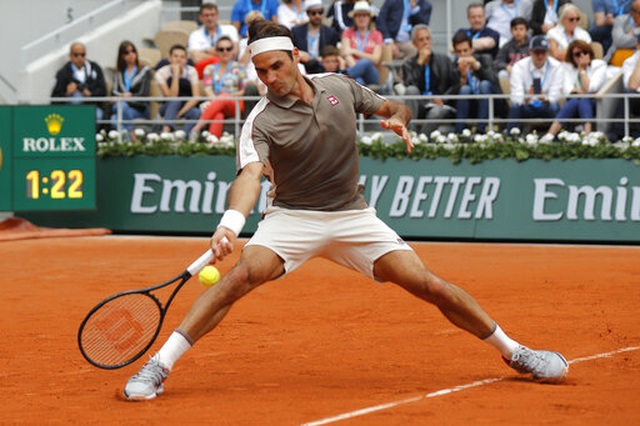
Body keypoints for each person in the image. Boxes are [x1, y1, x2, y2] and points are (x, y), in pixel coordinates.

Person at [122, 19, 569, 401]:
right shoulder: (260, 120)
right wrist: (230, 223)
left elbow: (396, 107)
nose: (270, 78)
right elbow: (250, 177)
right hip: (291, 217)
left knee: (430, 285)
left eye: (276, 66)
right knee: (239, 277)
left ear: (296, 56)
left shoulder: (340, 87)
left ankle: (515, 352)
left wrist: (398, 118)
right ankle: (158, 366)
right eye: (261, 71)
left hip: (353, 216)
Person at [540, 40, 607, 142]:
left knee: (583, 100)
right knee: (575, 101)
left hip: (596, 102)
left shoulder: (599, 65)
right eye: (577, 54)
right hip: (574, 101)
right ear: (572, 57)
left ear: (590, 53)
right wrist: (582, 91)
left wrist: (582, 70)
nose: (582, 56)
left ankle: (586, 136)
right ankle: (550, 136)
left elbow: (591, 88)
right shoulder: (567, 67)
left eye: (585, 52)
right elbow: (568, 89)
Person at [190, 36, 251, 139]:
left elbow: (245, 90)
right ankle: (214, 143)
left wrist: (228, 96)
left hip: (235, 104)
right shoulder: (209, 69)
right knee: (218, 114)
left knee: (223, 97)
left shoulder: (239, 67)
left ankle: (196, 128)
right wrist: (218, 100)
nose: (225, 52)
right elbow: (208, 89)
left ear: (233, 51)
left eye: (228, 49)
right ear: (216, 51)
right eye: (221, 49)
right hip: (216, 104)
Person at [400, 24, 456, 135]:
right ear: (414, 44)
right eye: (421, 40)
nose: (425, 42)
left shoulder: (444, 60)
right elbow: (410, 86)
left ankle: (419, 141)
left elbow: (455, 85)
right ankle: (410, 133)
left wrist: (443, 99)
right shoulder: (408, 64)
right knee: (411, 90)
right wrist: (420, 63)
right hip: (420, 105)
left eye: (428, 38)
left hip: (439, 104)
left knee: (435, 112)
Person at [507, 35, 563, 132]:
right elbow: (516, 96)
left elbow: (556, 93)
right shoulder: (519, 66)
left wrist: (545, 99)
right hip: (527, 105)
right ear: (530, 51)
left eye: (543, 52)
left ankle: (557, 138)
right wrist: (527, 97)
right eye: (537, 52)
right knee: (515, 107)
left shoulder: (557, 67)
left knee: (554, 106)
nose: (540, 56)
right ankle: (511, 139)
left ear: (548, 52)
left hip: (546, 105)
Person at [450, 32, 499, 133]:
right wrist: (463, 78)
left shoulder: (485, 59)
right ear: (455, 52)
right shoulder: (453, 67)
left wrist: (477, 66)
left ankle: (480, 131)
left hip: (491, 103)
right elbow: (451, 95)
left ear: (472, 49)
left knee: (484, 84)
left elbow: (493, 82)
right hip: (469, 106)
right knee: (465, 89)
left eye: (465, 50)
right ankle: (459, 133)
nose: (463, 54)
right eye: (459, 51)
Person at [51, 42, 108, 128]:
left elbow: (103, 91)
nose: (79, 58)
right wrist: (67, 93)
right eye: (76, 55)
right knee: (77, 97)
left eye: (82, 55)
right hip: (71, 110)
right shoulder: (63, 73)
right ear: (70, 56)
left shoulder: (94, 68)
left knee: (98, 116)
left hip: (92, 107)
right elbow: (54, 98)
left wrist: (90, 94)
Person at [109, 41, 152, 141]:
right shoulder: (118, 73)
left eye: (133, 51)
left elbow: (142, 95)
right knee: (114, 119)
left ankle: (131, 140)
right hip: (123, 108)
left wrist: (122, 98)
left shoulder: (144, 71)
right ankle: (130, 141)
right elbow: (114, 92)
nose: (131, 55)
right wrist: (124, 97)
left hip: (140, 108)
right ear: (122, 56)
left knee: (118, 111)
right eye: (127, 53)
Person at [154, 44, 201, 134]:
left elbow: (196, 97)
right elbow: (171, 96)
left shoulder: (192, 71)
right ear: (169, 58)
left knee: (196, 112)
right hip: (167, 105)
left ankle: (186, 138)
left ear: (186, 60)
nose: (178, 59)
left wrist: (178, 114)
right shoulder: (161, 72)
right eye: (175, 56)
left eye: (182, 57)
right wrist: (176, 74)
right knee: (175, 101)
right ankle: (166, 135)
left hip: (185, 105)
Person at [340, 1, 384, 87]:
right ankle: (355, 78)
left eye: (364, 15)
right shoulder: (348, 32)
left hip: (371, 73)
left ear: (369, 18)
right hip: (353, 70)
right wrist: (357, 70)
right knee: (358, 81)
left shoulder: (377, 34)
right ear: (354, 18)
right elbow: (346, 54)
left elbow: (375, 59)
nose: (361, 18)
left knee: (365, 62)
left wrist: (354, 51)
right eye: (358, 16)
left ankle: (344, 77)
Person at [291, 0, 341, 74]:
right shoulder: (296, 31)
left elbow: (332, 52)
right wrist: (299, 53)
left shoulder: (330, 32)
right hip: (302, 65)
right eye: (313, 13)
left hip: (322, 67)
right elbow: (291, 49)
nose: (317, 16)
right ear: (308, 14)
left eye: (320, 12)